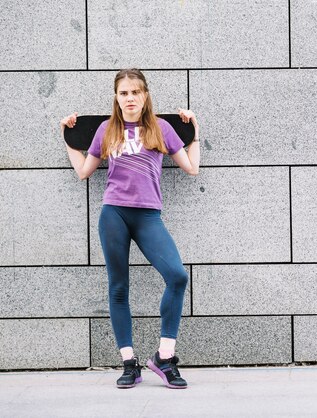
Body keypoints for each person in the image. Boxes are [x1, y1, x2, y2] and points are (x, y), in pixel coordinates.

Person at [60, 68, 199, 389]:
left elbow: (191, 168)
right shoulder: (107, 130)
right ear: (117, 98)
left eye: (135, 92)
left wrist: (195, 130)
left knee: (177, 276)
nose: (130, 98)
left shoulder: (161, 128)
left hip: (148, 216)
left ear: (145, 96)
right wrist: (67, 138)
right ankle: (129, 362)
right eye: (124, 93)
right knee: (119, 287)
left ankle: (164, 357)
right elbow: (83, 171)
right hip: (114, 215)